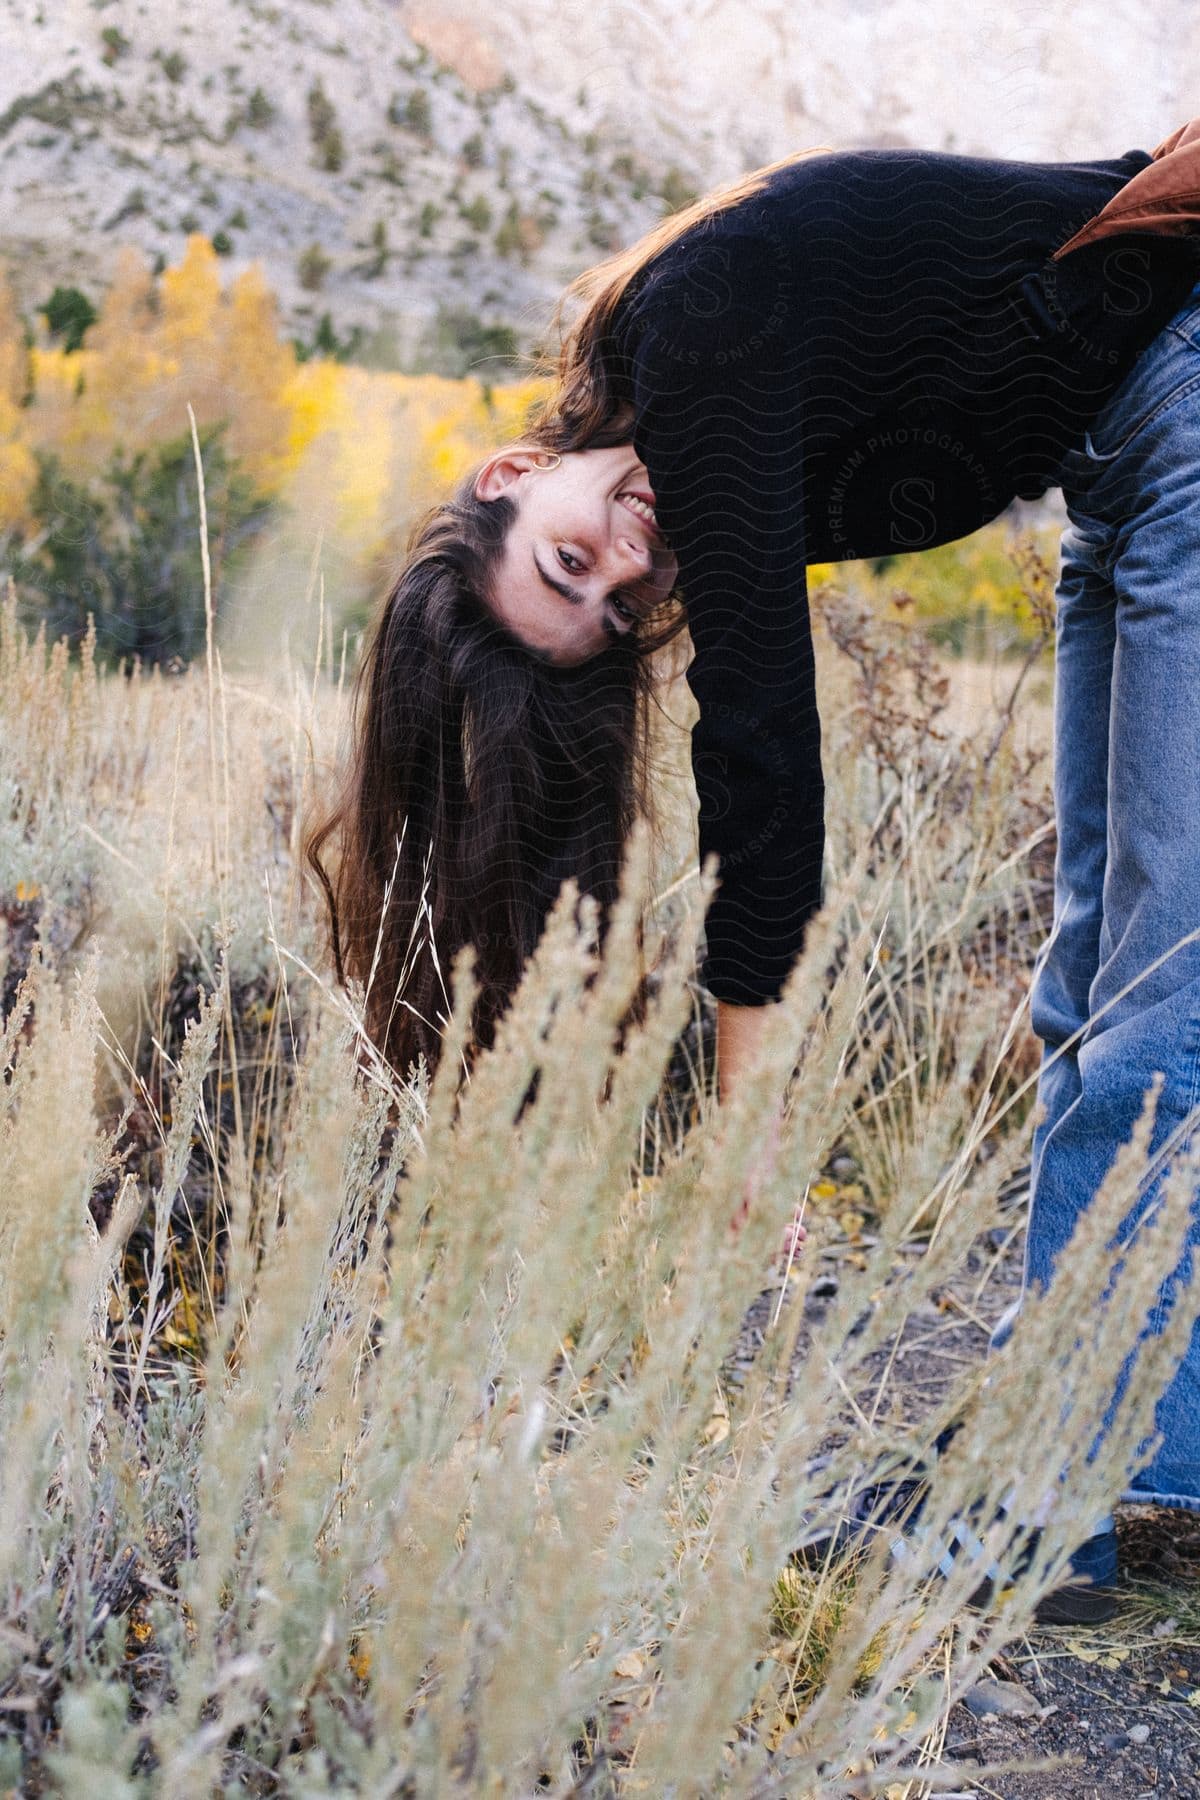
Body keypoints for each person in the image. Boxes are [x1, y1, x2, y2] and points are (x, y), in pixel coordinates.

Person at [305, 128, 1200, 1595]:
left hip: (1180, 402)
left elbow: (764, 743)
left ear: (515, 471)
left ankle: (1053, 1491)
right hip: (1122, 469)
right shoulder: (687, 417)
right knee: (1099, 972)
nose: (623, 563)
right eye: (601, 603)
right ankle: (1087, 1426)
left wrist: (751, 1122)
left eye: (565, 553)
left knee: (1165, 982)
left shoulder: (690, 341)